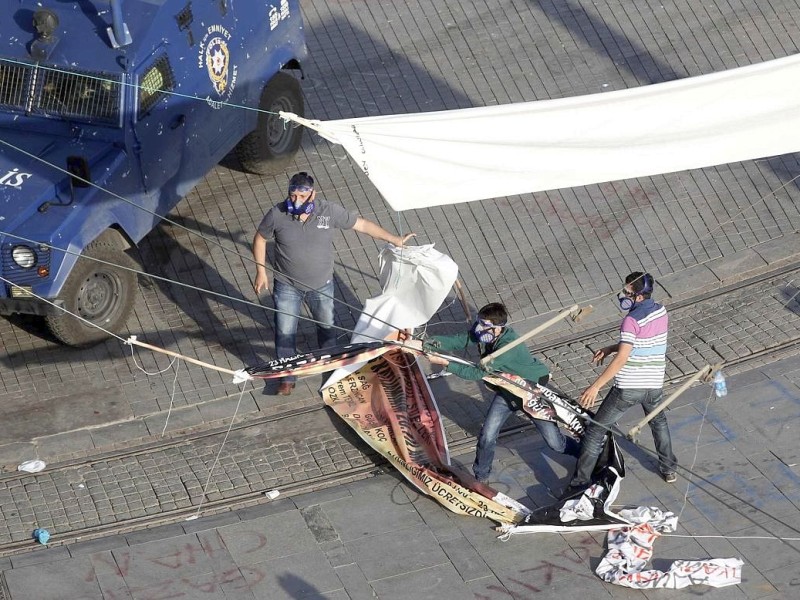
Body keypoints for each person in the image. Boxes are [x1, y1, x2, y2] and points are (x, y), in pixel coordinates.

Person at [253, 172, 414, 395]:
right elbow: (260, 238)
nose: (297, 200)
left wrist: (394, 239)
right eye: (293, 195)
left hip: (322, 285)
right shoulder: (277, 214)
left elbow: (363, 225)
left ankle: (330, 366)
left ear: (313, 195)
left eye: (302, 195)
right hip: (287, 285)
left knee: (327, 327)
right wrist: (261, 272)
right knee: (285, 331)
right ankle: (287, 376)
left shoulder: (328, 211)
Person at [420, 302, 579, 482]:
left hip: (530, 390)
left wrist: (444, 362)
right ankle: (481, 478)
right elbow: (462, 339)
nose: (479, 328)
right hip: (508, 388)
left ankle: (582, 453)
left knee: (555, 443)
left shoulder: (506, 349)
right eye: (479, 322)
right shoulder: (484, 331)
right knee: (487, 435)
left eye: (485, 325)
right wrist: (429, 343)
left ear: (498, 328)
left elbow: (475, 373)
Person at [562, 272, 677, 498]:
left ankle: (580, 483)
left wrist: (596, 386)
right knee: (659, 422)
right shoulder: (661, 311)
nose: (622, 295)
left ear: (639, 297)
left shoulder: (630, 321)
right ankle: (669, 469)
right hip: (654, 383)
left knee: (595, 432)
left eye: (627, 292)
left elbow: (624, 357)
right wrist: (610, 348)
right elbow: (639, 342)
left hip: (628, 387)